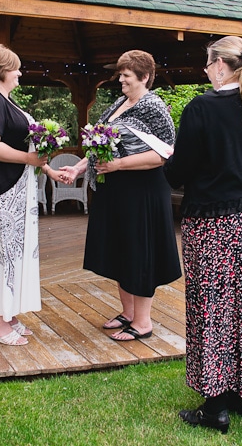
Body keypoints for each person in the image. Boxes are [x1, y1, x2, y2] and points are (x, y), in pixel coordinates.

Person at [164, 36, 242, 434]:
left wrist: (168, 163)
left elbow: (181, 171)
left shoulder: (201, 107)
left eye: (207, 63)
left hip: (214, 220)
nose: (204, 70)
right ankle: (240, 393)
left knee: (213, 306)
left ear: (219, 66)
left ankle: (215, 408)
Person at [60, 50, 181, 342]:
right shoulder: (119, 103)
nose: (121, 79)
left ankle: (143, 322)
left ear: (145, 77)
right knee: (121, 250)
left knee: (140, 252)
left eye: (126, 74)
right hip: (116, 190)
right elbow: (99, 145)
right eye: (121, 74)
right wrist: (78, 169)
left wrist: (119, 165)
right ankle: (127, 313)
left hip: (143, 191)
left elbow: (165, 154)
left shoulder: (153, 107)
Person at [0, 44, 68, 346]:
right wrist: (29, 161)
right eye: (16, 68)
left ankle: (9, 313)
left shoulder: (5, 101)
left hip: (18, 188)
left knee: (16, 253)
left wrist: (48, 170)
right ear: (1, 70)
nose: (19, 73)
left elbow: (27, 148)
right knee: (2, 254)